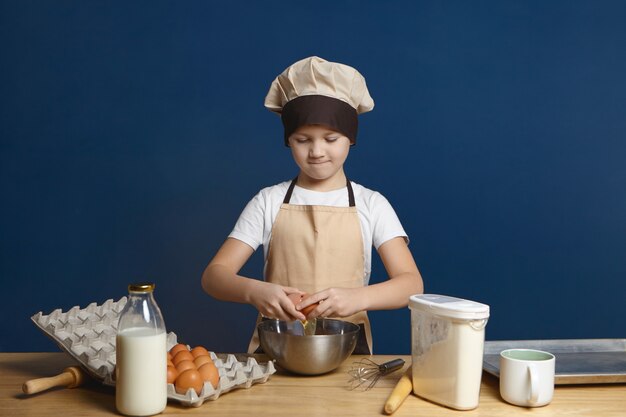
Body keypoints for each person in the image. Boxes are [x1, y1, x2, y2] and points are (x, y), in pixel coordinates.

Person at [201, 56, 423, 354]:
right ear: (288, 141)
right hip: (277, 349)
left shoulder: (372, 204)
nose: (317, 151)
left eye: (331, 138)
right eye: (302, 139)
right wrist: (254, 291)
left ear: (350, 139)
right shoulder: (268, 201)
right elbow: (214, 276)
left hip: (347, 351)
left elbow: (411, 284)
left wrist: (358, 298)